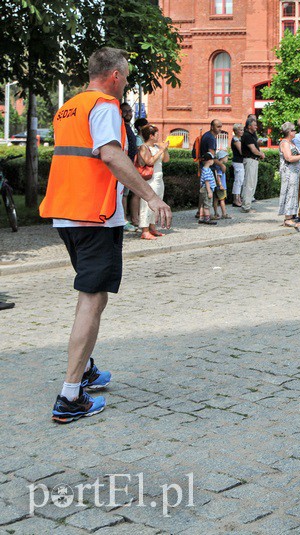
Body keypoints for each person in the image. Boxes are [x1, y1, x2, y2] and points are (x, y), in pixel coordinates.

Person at [40, 47, 172, 423]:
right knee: (91, 300)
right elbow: (111, 156)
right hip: (94, 216)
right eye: (127, 77)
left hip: (68, 213)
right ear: (114, 75)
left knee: (91, 296)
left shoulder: (69, 106)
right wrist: (150, 196)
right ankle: (69, 397)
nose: (127, 82)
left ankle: (85, 371)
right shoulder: (104, 106)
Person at [136, 124, 170, 240]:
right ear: (151, 136)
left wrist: (164, 149)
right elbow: (149, 161)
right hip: (149, 179)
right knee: (146, 204)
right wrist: (161, 150)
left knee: (158, 202)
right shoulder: (144, 147)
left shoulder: (156, 147)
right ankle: (145, 230)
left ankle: (153, 226)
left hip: (159, 178)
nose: (158, 136)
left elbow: (166, 160)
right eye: (156, 134)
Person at [277, 122, 300, 229]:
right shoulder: (285, 143)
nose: (295, 132)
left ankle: (290, 216)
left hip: (294, 173)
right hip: (288, 173)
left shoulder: (291, 143)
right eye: (293, 130)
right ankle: (288, 219)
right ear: (289, 132)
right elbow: (289, 158)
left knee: (293, 193)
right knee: (289, 193)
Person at [119, 103, 138, 232]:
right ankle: (123, 219)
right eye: (125, 111)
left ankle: (124, 218)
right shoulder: (120, 127)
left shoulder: (127, 127)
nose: (128, 113)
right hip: (123, 166)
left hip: (129, 165)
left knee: (125, 194)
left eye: (130, 110)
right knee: (123, 195)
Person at [240, 117, 264, 213]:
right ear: (249, 126)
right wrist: (261, 154)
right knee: (249, 184)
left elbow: (254, 146)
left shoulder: (252, 135)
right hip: (250, 160)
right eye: (254, 125)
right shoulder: (247, 135)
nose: (256, 127)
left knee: (252, 183)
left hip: (253, 160)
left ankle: (247, 204)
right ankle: (246, 207)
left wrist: (258, 144)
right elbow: (253, 150)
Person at [198, 152, 217, 225]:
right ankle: (207, 219)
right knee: (207, 205)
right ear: (209, 161)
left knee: (203, 204)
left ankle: (201, 217)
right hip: (207, 189)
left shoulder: (204, 169)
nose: (213, 161)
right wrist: (209, 191)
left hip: (203, 189)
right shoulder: (207, 170)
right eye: (212, 160)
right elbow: (207, 182)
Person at [213, 149, 230, 219]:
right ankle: (224, 214)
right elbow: (218, 177)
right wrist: (220, 185)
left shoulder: (217, 166)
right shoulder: (220, 167)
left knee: (216, 200)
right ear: (222, 158)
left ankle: (216, 213)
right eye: (226, 157)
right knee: (222, 200)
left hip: (216, 186)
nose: (227, 158)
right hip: (221, 186)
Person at [230, 123, 244, 207]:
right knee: (238, 181)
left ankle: (238, 198)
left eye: (242, 130)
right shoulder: (236, 140)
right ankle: (236, 199)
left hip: (240, 162)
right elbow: (241, 151)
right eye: (240, 130)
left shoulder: (239, 139)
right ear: (235, 131)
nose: (242, 131)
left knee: (240, 181)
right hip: (238, 162)